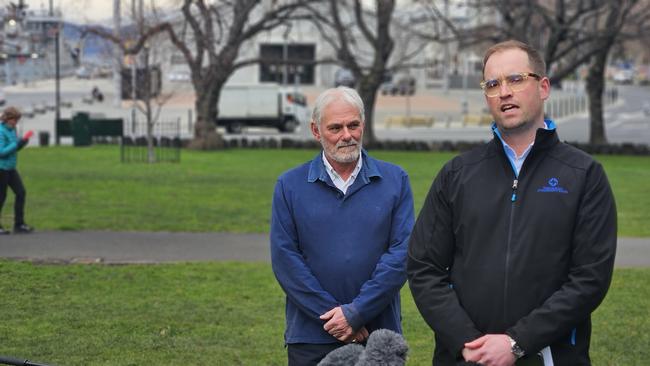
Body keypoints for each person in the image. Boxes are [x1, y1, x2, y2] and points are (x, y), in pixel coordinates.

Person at [407, 40, 617, 366]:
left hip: (550, 357)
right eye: (493, 84)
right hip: (466, 357)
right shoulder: (457, 175)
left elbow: (589, 279)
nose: (504, 92)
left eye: (516, 79)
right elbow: (424, 268)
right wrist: (470, 343)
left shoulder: (584, 175)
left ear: (543, 86)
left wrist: (517, 342)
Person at [270, 86, 414, 366]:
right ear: (316, 131)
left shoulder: (396, 180)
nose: (346, 135)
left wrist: (357, 312)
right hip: (311, 337)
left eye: (353, 125)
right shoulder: (289, 186)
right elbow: (286, 260)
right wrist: (336, 317)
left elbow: (402, 255)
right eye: (335, 128)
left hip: (377, 336)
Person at [0, 106, 35, 234]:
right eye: (13, 120)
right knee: (1, 196)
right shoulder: (1, 131)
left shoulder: (12, 130)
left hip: (10, 168)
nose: (15, 123)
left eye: (17, 120)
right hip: (1, 169)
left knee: (21, 192)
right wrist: (16, 144)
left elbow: (13, 149)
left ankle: (19, 224)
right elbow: (1, 152)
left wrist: (22, 144)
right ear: (7, 118)